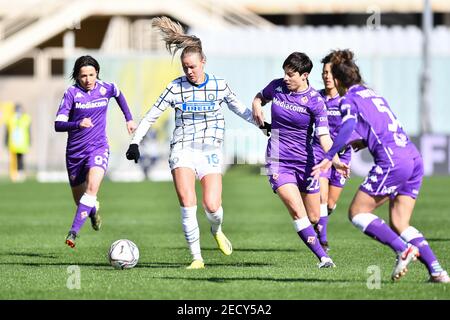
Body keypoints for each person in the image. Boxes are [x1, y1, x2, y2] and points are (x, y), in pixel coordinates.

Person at [125, 16, 265, 269]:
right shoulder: (175, 87)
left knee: (212, 206)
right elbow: (151, 115)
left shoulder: (219, 86)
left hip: (210, 150)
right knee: (187, 202)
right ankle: (196, 258)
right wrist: (135, 142)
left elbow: (242, 110)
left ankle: (217, 230)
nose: (189, 71)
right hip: (183, 150)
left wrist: (261, 124)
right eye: (185, 67)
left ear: (203, 62)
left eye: (192, 66)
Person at [312, 49, 449, 283]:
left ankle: (402, 250)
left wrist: (329, 155)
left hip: (392, 161)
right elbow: (384, 123)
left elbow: (347, 126)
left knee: (357, 213)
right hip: (412, 157)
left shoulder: (348, 100)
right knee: (399, 222)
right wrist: (365, 140)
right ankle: (437, 271)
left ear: (337, 79)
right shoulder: (371, 93)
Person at [252, 52, 347, 268]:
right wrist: (257, 104)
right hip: (278, 160)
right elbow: (261, 96)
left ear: (304, 75)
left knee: (314, 217)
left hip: (306, 162)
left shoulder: (315, 101)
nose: (285, 78)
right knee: (297, 211)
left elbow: (324, 136)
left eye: (291, 75)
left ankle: (314, 237)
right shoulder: (277, 87)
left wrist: (336, 160)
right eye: (284, 73)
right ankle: (323, 257)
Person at [55, 55, 136, 248]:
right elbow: (58, 125)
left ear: (97, 73)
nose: (88, 79)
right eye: (83, 76)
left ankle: (73, 233)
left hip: (99, 147)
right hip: (75, 154)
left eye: (91, 74)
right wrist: (77, 124)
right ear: (76, 76)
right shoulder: (71, 93)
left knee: (92, 189)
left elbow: (119, 94)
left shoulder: (106, 88)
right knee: (81, 200)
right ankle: (92, 213)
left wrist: (129, 118)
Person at [312, 53, 353, 252]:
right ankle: (323, 240)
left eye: (329, 73)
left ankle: (321, 220)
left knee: (330, 203)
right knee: (322, 196)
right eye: (323, 73)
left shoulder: (345, 100)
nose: (326, 76)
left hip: (342, 155)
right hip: (320, 153)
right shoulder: (316, 97)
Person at [5, 104, 31, 182]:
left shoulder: (26, 118)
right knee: (13, 159)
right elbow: (7, 131)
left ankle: (20, 173)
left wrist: (30, 141)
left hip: (22, 143)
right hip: (13, 143)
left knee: (20, 159)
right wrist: (5, 141)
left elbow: (28, 131)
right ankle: (14, 174)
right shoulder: (11, 119)